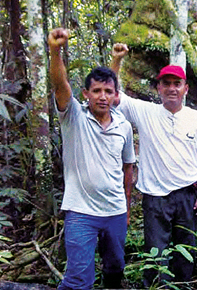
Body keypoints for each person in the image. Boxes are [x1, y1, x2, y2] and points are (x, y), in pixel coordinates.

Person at [110, 43, 197, 287]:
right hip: (155, 197)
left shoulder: (195, 117)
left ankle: (182, 286)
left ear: (186, 88)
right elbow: (112, 96)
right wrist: (117, 60)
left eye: (177, 84)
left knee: (185, 252)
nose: (172, 89)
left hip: (187, 193)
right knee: (155, 253)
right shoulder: (145, 111)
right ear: (158, 88)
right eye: (166, 83)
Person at [48, 28, 135, 289]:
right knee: (78, 278)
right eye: (96, 91)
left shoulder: (123, 126)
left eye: (108, 91)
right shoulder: (74, 117)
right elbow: (60, 86)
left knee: (115, 269)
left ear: (115, 95)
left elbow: (127, 169)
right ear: (85, 94)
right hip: (81, 212)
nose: (102, 96)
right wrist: (55, 50)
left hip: (116, 212)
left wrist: (127, 210)